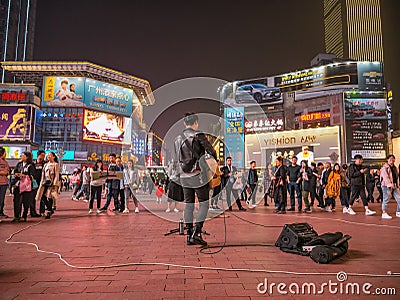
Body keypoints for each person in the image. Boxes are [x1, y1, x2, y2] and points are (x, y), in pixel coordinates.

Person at [175, 112, 217, 246]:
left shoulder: (177, 138)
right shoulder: (199, 135)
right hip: (197, 174)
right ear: (196, 123)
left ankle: (189, 235)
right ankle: (197, 233)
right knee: (204, 203)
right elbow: (212, 152)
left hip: (183, 176)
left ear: (184, 123)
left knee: (189, 204)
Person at [11, 151, 36, 222]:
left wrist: (25, 176)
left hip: (26, 186)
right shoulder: (19, 164)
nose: (21, 157)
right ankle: (16, 216)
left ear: (27, 157)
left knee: (26, 201)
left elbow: (33, 175)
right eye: (21, 155)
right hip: (18, 184)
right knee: (16, 201)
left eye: (23, 156)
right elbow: (14, 171)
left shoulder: (31, 165)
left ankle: (24, 216)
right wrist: (16, 174)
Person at [35, 152, 60, 219]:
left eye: (50, 155)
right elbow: (43, 174)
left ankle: (49, 211)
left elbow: (57, 175)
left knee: (50, 197)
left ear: (54, 157)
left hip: (51, 183)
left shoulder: (56, 164)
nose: (48, 156)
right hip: (44, 182)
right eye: (48, 155)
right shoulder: (45, 164)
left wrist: (55, 184)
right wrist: (41, 182)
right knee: (42, 196)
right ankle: (50, 208)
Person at [380, 155, 400, 219]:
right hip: (386, 186)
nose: (392, 161)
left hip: (394, 185)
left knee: (399, 198)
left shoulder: (395, 168)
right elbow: (385, 177)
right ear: (387, 160)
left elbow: (396, 177)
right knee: (386, 199)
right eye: (390, 159)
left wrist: (397, 184)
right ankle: (384, 213)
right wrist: (390, 184)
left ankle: (398, 211)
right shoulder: (384, 168)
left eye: (393, 159)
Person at [0, 147, 10, 218]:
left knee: (2, 199)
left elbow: (8, 172)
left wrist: (4, 172)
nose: (5, 154)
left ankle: (1, 212)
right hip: (2, 182)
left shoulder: (5, 162)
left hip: (4, 183)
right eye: (5, 153)